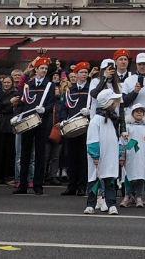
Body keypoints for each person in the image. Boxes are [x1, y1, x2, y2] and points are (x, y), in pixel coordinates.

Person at [14, 56, 55, 194]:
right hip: (27, 121)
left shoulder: (50, 85)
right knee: (25, 153)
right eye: (41, 68)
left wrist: (45, 109)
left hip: (42, 122)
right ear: (36, 70)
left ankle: (38, 185)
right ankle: (23, 185)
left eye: (45, 68)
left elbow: (51, 103)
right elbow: (21, 100)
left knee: (40, 154)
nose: (44, 70)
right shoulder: (28, 84)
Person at [84, 87, 122, 215]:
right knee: (94, 179)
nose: (116, 104)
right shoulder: (96, 120)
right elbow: (92, 139)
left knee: (110, 180)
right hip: (98, 157)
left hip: (110, 156)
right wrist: (95, 155)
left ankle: (111, 204)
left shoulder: (113, 120)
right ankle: (91, 204)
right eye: (113, 102)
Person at [58, 63, 91, 196]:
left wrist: (89, 112)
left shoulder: (90, 90)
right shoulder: (69, 91)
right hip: (71, 127)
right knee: (70, 156)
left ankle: (82, 186)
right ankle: (71, 185)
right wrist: (63, 120)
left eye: (85, 72)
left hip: (85, 127)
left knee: (83, 157)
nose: (84, 74)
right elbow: (63, 108)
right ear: (76, 75)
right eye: (81, 72)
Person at [122, 103, 145, 206]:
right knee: (128, 176)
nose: (139, 113)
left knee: (141, 176)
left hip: (142, 157)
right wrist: (122, 156)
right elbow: (122, 142)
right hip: (130, 156)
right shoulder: (127, 127)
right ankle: (127, 196)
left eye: (141, 111)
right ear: (132, 114)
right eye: (137, 111)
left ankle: (139, 197)